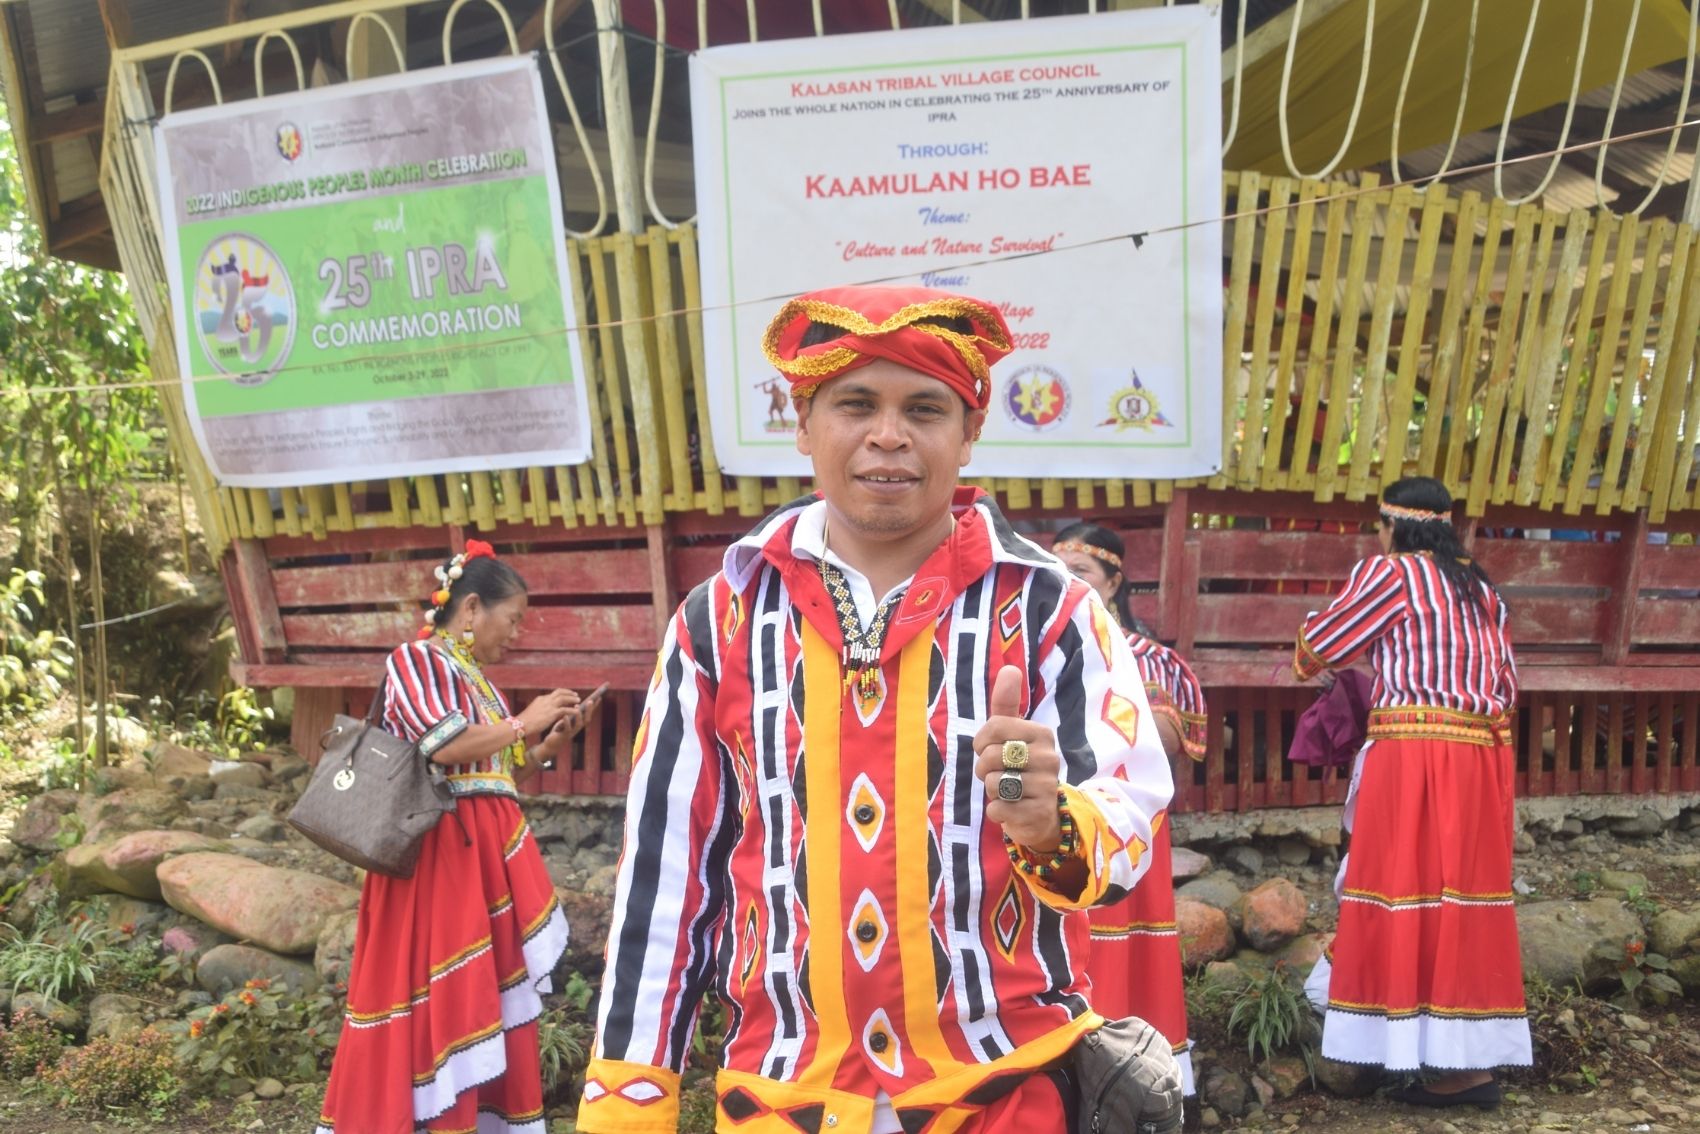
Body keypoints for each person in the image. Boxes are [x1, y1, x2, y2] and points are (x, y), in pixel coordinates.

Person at [576, 285, 1174, 1133]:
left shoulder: (1054, 612)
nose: (887, 435)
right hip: (783, 1094)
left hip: (1005, 1087)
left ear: (969, 432)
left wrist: (1052, 823)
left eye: (924, 409)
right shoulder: (717, 623)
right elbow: (668, 872)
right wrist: (629, 1099)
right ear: (802, 421)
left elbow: (1131, 816)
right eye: (855, 403)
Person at [316, 541, 586, 1134]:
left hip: (478, 861)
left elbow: (493, 776)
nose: (515, 633)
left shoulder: (477, 681)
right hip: (438, 859)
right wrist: (525, 721)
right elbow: (443, 746)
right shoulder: (415, 660)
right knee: (432, 995)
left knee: (479, 996)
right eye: (511, 619)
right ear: (470, 610)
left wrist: (545, 747)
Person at [1293, 477, 1530, 1107]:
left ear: (1392, 526)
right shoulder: (1481, 587)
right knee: (1458, 900)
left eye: (1378, 526)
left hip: (1415, 753)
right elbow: (1506, 687)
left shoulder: (1390, 573)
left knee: (1401, 888)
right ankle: (1464, 1067)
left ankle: (1413, 1052)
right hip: (1480, 760)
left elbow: (1318, 649)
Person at [1052, 522, 1208, 1097]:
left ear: (1114, 583)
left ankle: (1143, 1082)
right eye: (1061, 570)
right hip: (1054, 825)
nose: (1069, 582)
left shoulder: (1148, 657)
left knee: (1127, 948)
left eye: (1083, 573)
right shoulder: (1030, 643)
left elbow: (1171, 737)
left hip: (1127, 828)